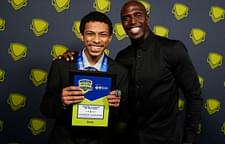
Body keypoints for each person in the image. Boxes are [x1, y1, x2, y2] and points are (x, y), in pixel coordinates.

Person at [61, 1, 203, 144]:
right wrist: (73, 57)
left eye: (138, 15)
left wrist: (189, 139)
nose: (132, 21)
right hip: (130, 138)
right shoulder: (122, 57)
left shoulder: (172, 49)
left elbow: (194, 96)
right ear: (122, 24)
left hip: (166, 138)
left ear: (147, 18)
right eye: (126, 18)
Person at [40, 11, 128, 144]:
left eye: (102, 35)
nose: (96, 40)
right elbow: (46, 109)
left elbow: (125, 115)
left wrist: (118, 105)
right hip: (65, 139)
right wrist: (61, 101)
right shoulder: (61, 65)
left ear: (110, 38)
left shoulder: (121, 71)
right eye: (90, 34)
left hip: (102, 140)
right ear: (81, 36)